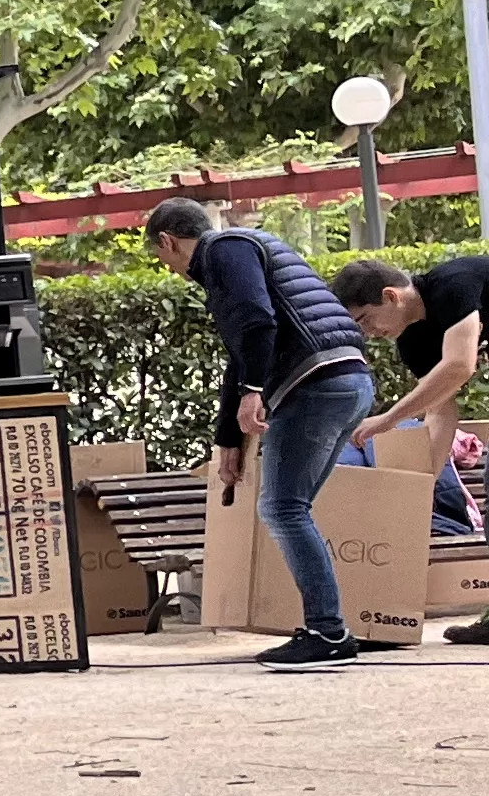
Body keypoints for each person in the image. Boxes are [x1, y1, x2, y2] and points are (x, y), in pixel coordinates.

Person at [147, 198, 376, 665]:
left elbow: (256, 321)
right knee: (293, 507)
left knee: (282, 507)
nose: (169, 270)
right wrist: (227, 440)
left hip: (314, 382)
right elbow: (242, 351)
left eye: (162, 258)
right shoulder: (243, 249)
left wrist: (254, 392)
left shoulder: (222, 249)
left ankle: (328, 633)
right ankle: (329, 629)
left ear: (168, 241)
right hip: (348, 381)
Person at [333, 252, 487, 628]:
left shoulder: (454, 282)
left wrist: (389, 418)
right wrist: (425, 485)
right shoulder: (414, 342)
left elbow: (459, 365)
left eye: (365, 319)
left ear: (390, 296)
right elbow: (440, 410)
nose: (368, 333)